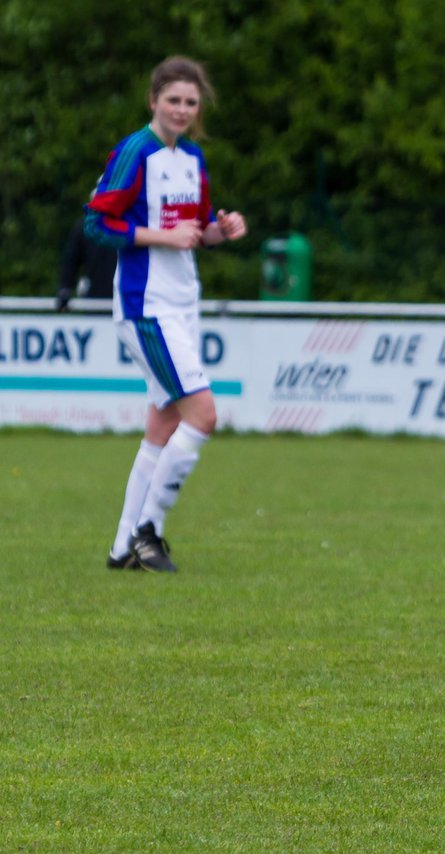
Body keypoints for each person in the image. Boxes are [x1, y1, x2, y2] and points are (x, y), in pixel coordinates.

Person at [84, 56, 247, 572]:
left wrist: (220, 230)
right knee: (203, 415)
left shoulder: (192, 158)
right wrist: (162, 236)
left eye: (190, 102)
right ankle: (146, 532)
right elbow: (95, 224)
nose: (181, 109)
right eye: (172, 99)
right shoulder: (135, 152)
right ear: (153, 100)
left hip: (182, 302)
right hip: (146, 305)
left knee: (163, 424)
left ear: (200, 108)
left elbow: (194, 230)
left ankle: (120, 549)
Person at [55, 204, 117, 311]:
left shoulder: (85, 225)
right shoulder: (84, 226)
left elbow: (70, 261)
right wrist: (64, 288)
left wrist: (64, 287)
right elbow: (71, 261)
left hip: (121, 298)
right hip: (97, 299)